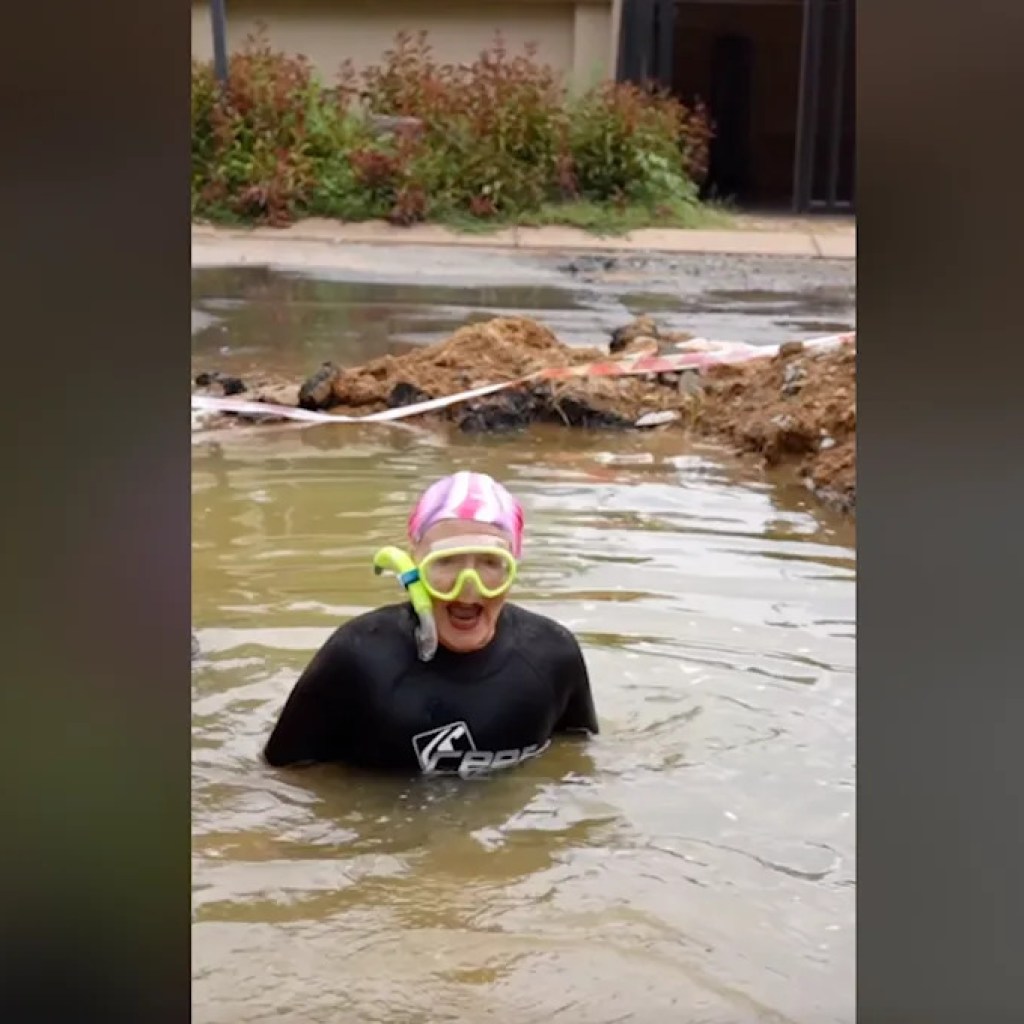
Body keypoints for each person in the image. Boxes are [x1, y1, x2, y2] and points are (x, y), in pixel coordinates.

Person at [262, 470, 599, 776]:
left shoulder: (554, 653)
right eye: (446, 562)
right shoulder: (357, 656)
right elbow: (281, 781)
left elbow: (576, 758)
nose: (468, 584)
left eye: (490, 564)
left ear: (513, 569)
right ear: (413, 567)